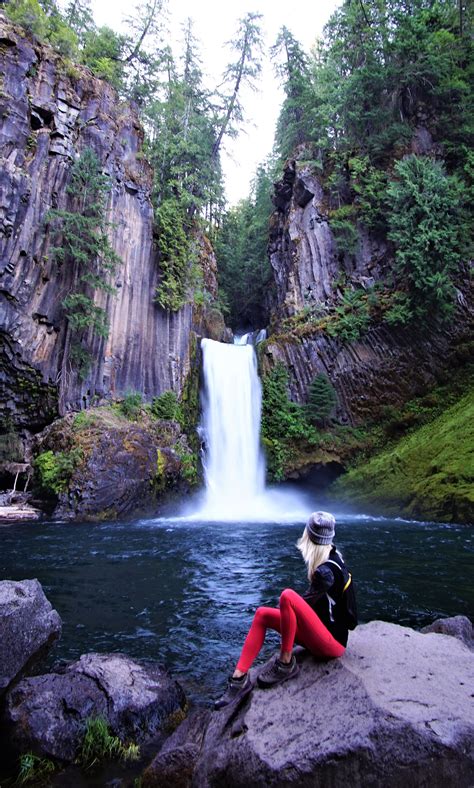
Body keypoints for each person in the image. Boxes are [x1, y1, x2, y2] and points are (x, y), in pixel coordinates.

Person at [214, 511, 352, 710]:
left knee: (287, 596)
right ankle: (239, 678)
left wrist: (287, 609)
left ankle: (286, 663)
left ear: (309, 537)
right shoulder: (331, 559)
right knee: (262, 614)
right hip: (320, 633)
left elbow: (301, 606)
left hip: (332, 645)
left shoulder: (326, 571)